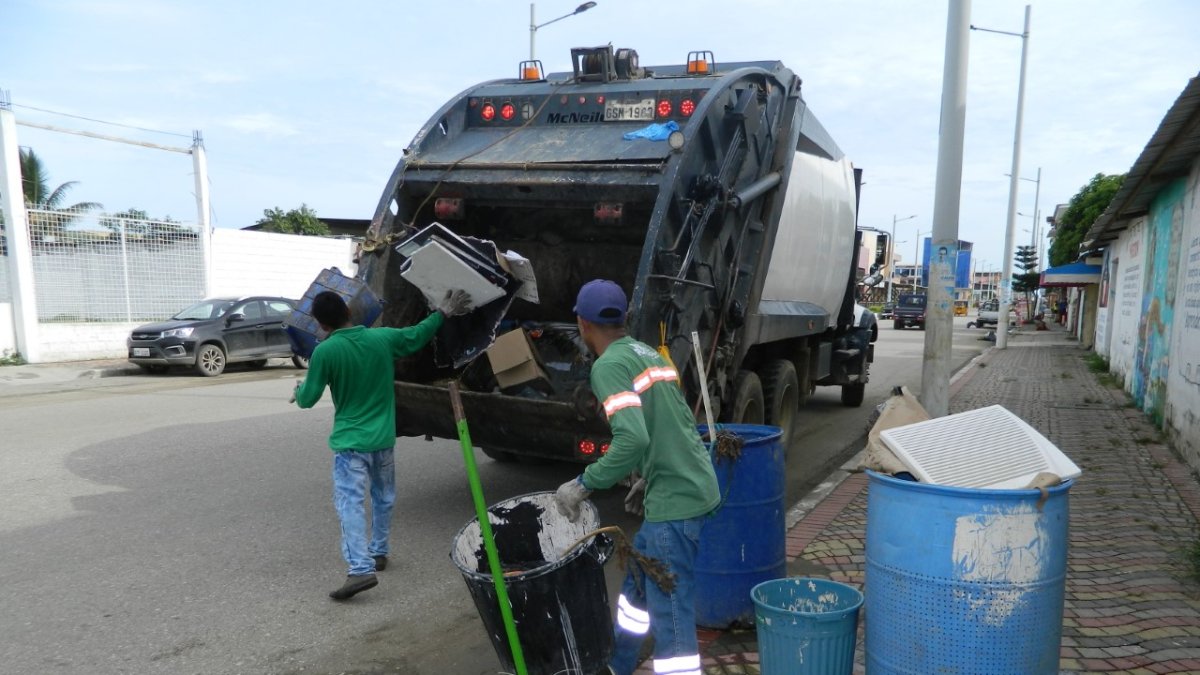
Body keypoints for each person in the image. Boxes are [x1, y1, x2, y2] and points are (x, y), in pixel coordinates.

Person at [554, 279, 720, 675]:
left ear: (582, 323)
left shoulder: (609, 365)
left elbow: (632, 437)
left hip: (675, 499)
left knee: (672, 616)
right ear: (625, 318)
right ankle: (619, 665)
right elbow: (676, 421)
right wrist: (648, 473)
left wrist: (584, 484)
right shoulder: (648, 352)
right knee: (637, 592)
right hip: (689, 483)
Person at [293, 288, 471, 600]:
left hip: (351, 445)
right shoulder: (382, 339)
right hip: (383, 439)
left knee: (349, 502)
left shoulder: (325, 352)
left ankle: (361, 569)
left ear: (322, 326)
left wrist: (299, 389)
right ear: (349, 312)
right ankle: (379, 552)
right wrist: (443, 311)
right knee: (383, 496)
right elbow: (416, 336)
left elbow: (307, 400)